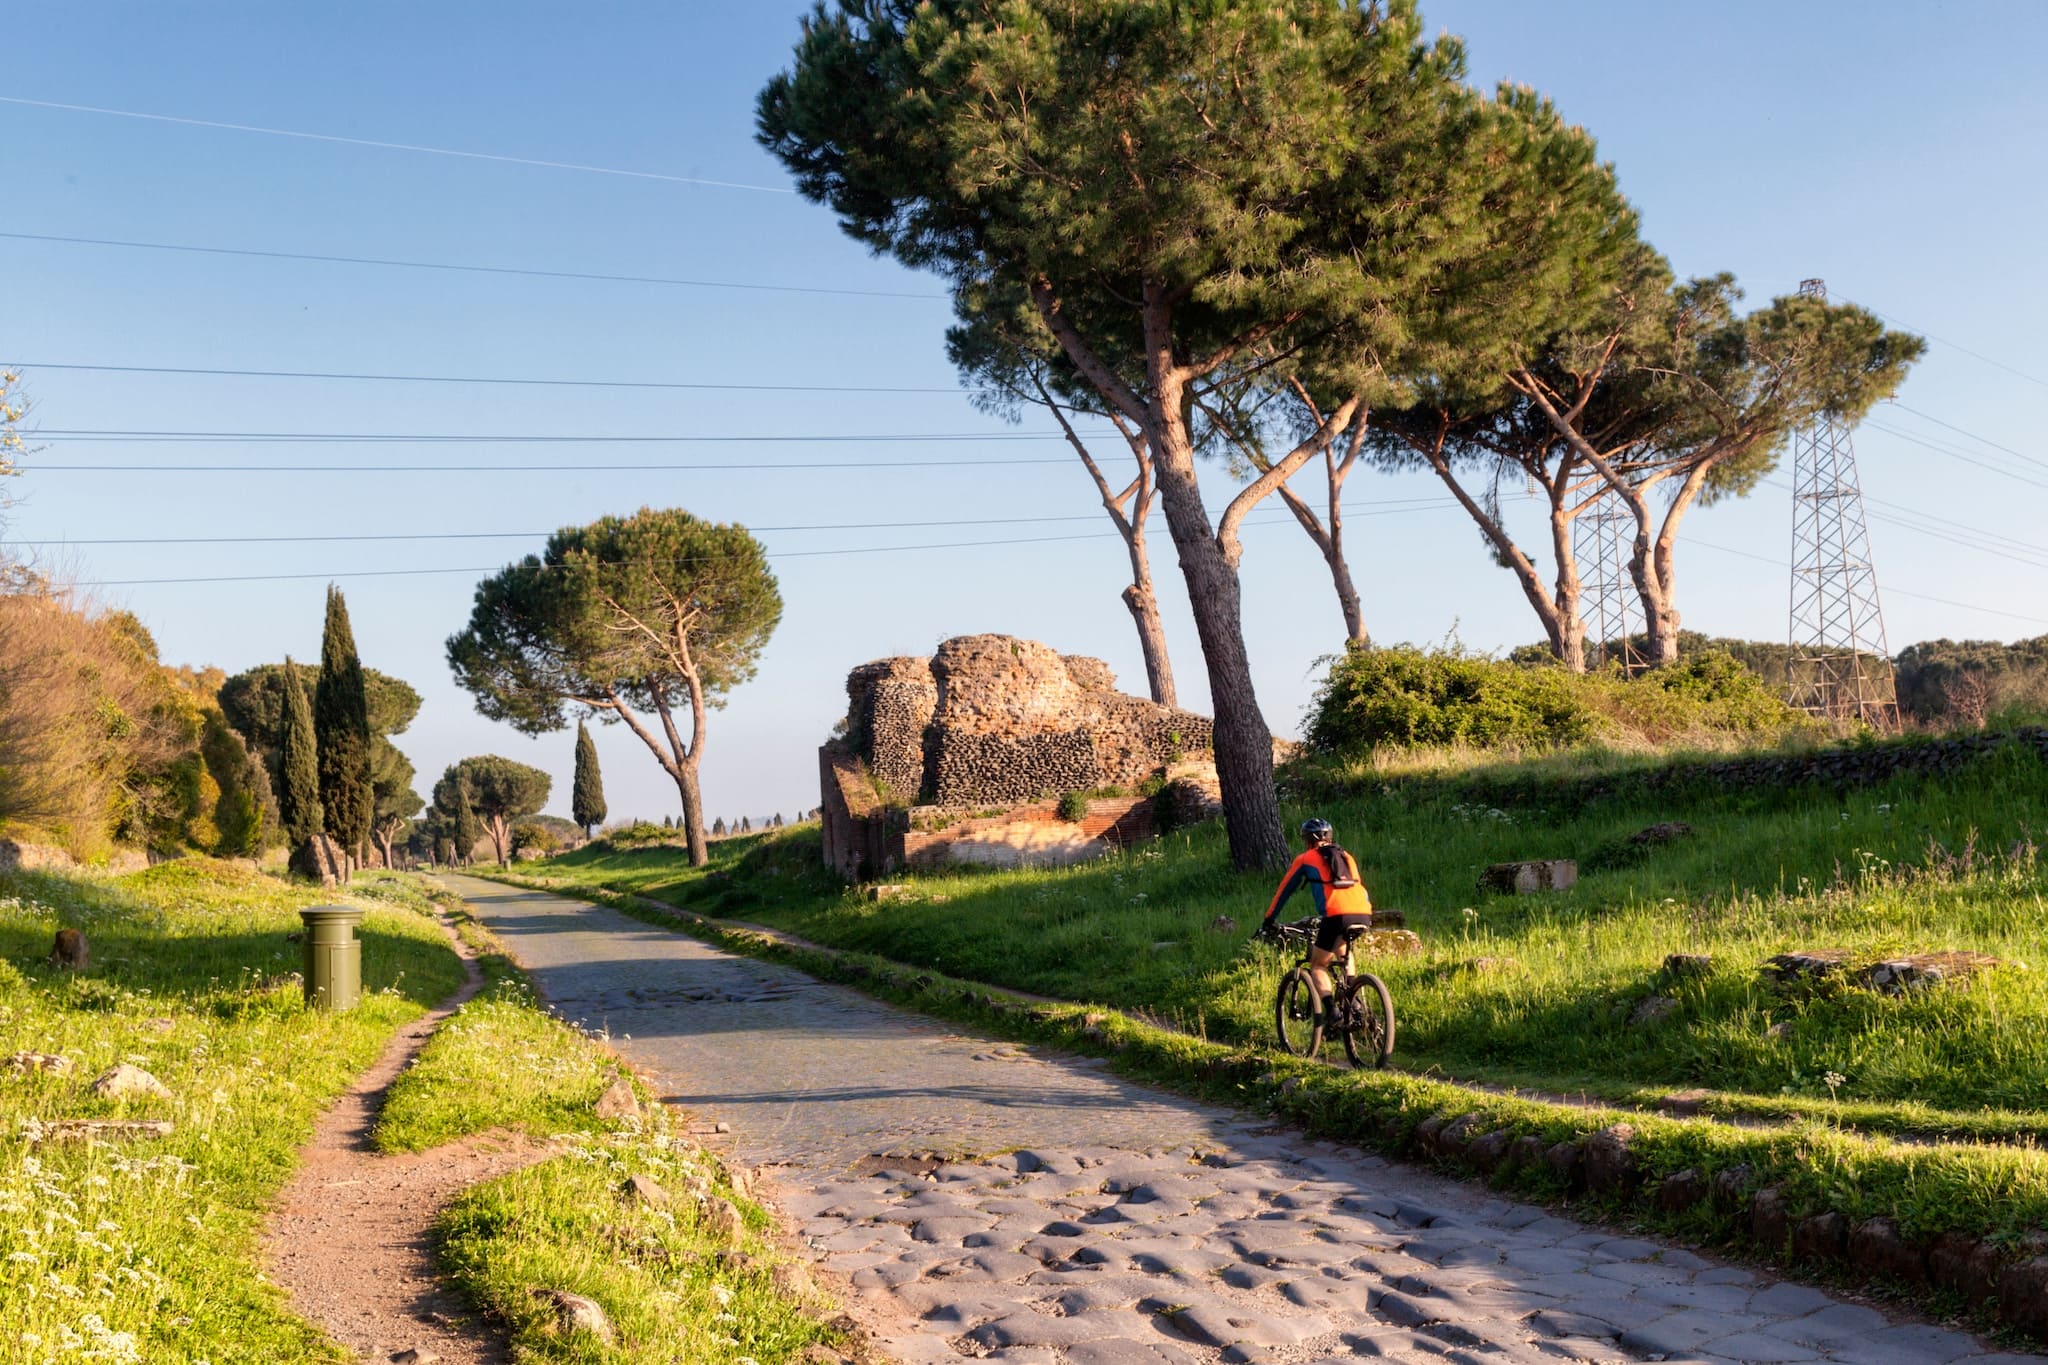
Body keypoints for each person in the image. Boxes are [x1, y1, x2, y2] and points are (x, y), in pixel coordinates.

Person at [1257, 817, 1373, 1027]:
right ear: (1329, 837)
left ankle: (1332, 1012)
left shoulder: (1306, 858)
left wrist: (1269, 920)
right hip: (1363, 913)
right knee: (1344, 950)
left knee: (1318, 964)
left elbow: (1284, 890)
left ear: (1307, 840)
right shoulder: (1347, 856)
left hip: (1336, 915)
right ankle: (1353, 998)